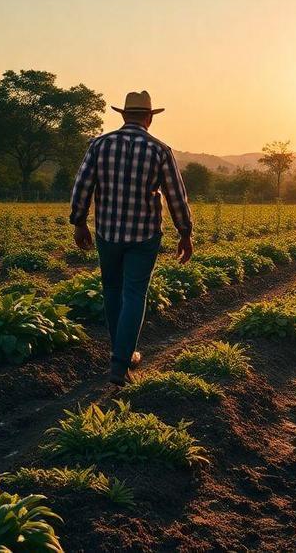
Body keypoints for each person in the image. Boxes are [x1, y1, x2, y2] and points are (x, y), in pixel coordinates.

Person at [69, 90, 194, 386]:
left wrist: (79, 222)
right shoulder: (159, 150)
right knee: (134, 293)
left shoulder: (99, 145)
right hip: (144, 234)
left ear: (124, 115)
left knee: (111, 289)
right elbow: (176, 197)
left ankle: (120, 354)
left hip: (107, 232)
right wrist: (185, 233)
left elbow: (82, 186)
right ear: (149, 118)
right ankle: (121, 361)